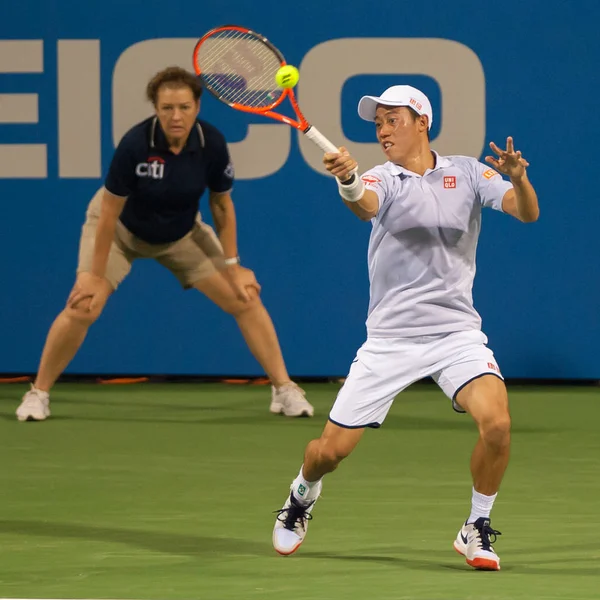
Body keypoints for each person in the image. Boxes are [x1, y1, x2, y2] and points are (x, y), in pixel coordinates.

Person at [272, 85, 539, 570]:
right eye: (378, 123)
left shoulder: (468, 171)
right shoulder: (383, 177)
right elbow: (365, 203)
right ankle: (302, 493)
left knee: (497, 424)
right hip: (390, 341)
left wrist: (518, 180)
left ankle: (476, 528)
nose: (382, 130)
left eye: (392, 119)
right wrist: (349, 180)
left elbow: (527, 212)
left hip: (456, 334)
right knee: (329, 453)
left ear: (422, 121)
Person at [16, 66, 313, 422]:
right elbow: (109, 212)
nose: (176, 116)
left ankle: (284, 389)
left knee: (245, 296)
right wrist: (94, 274)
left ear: (197, 106)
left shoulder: (211, 144)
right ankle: (39, 393)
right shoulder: (135, 144)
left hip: (182, 233)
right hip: (121, 233)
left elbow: (221, 205)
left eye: (184, 107)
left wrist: (233, 266)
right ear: (155, 108)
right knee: (83, 304)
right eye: (167, 108)